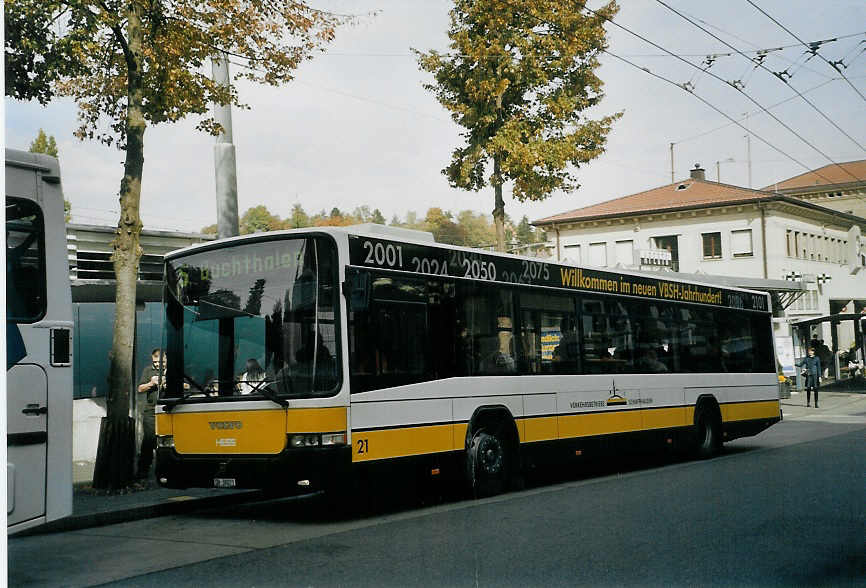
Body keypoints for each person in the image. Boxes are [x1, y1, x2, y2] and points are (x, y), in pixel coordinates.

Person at [137, 348, 165, 479]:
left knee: (166, 441)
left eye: (161, 362)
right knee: (149, 440)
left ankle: (165, 469)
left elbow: (187, 386)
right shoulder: (148, 370)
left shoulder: (173, 369)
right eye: (156, 363)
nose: (158, 365)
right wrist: (151, 383)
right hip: (151, 411)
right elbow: (140, 388)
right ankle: (143, 470)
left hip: (168, 410)